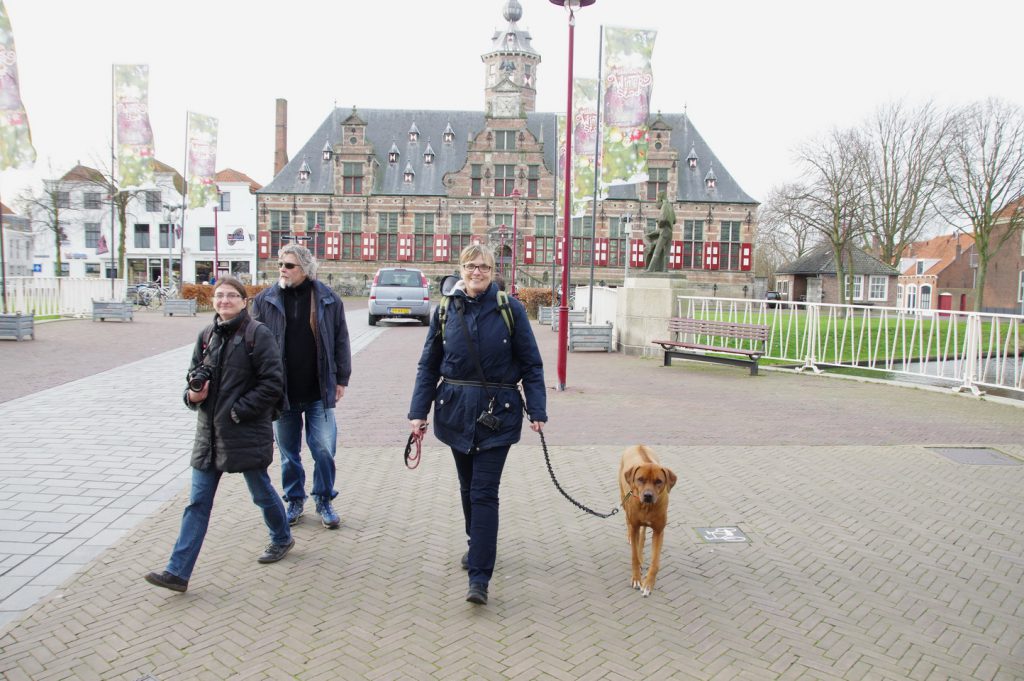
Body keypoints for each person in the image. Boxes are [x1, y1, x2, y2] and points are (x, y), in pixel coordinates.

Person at [408, 244, 547, 606]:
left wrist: (537, 409)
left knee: (485, 492)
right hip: (454, 409)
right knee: (468, 487)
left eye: (484, 266)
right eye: (471, 266)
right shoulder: (445, 311)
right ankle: (477, 544)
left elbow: (532, 364)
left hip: (497, 412)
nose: (477, 272)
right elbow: (428, 365)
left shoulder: (509, 309)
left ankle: (479, 576)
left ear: (492, 270)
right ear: (461, 268)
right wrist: (418, 412)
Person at [145, 276, 293, 593]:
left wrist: (238, 411)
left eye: (230, 296)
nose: (223, 300)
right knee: (197, 504)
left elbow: (272, 384)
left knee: (261, 493)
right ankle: (177, 572)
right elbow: (192, 380)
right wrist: (192, 396)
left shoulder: (258, 335)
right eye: (218, 295)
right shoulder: (206, 336)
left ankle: (282, 537)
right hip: (208, 437)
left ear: (243, 301)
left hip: (245, 433)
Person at [252, 244, 351, 529]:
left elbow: (341, 340)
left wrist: (341, 379)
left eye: (289, 265)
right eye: (281, 264)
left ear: (306, 269)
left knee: (323, 449)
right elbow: (253, 345)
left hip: (318, 390)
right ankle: (294, 499)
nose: (282, 269)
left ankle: (323, 498)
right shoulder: (264, 300)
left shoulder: (328, 299)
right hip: (282, 393)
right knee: (288, 453)